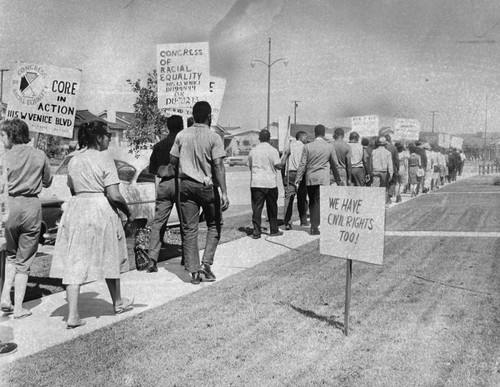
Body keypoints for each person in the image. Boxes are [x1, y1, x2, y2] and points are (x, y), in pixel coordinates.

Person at [50, 121, 134, 329]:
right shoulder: (105, 159)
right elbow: (114, 194)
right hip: (100, 208)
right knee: (110, 254)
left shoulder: (74, 160)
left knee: (75, 259)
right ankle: (117, 302)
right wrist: (128, 212)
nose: (108, 139)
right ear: (98, 138)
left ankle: (73, 314)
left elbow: (72, 189)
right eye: (107, 135)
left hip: (77, 208)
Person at [170, 101, 229, 285]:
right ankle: (206, 264)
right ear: (209, 116)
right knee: (214, 224)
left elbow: (172, 159)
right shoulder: (214, 137)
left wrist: (182, 171)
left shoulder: (181, 135)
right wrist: (224, 192)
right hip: (206, 185)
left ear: (193, 116)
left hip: (186, 185)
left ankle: (194, 272)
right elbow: (218, 165)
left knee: (189, 229)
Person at [0, 119, 52, 319]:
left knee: (11, 255)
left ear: (12, 135)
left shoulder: (5, 156)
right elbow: (47, 181)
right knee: (25, 259)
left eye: (3, 135)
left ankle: (6, 297)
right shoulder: (39, 154)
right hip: (31, 205)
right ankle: (19, 307)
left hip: (9, 205)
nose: (1, 138)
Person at [147, 115, 184, 273]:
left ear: (168, 127)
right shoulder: (183, 144)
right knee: (186, 222)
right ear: (181, 127)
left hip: (164, 184)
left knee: (158, 223)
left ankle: (152, 259)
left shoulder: (159, 145)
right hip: (181, 183)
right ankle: (188, 256)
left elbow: (152, 170)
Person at [295, 124, 341, 235]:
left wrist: (298, 178)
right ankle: (317, 224)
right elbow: (335, 164)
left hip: (310, 178)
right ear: (324, 133)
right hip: (323, 178)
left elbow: (302, 164)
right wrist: (338, 178)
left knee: (312, 201)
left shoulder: (307, 146)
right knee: (320, 201)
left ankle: (314, 225)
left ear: (314, 133)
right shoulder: (329, 146)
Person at [248, 130, 284, 238]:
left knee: (257, 208)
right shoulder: (273, 150)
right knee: (272, 207)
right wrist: (285, 157)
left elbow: (250, 166)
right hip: (270, 183)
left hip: (256, 182)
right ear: (269, 138)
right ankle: (274, 230)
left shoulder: (253, 151)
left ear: (259, 138)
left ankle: (256, 232)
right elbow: (278, 166)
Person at [282, 131, 309, 230]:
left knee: (289, 198)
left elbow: (283, 161)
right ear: (302, 138)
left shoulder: (288, 146)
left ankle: (287, 222)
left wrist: (283, 176)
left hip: (289, 173)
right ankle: (303, 220)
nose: (307, 140)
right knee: (302, 199)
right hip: (300, 174)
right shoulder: (304, 147)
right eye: (306, 138)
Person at [371, 137, 393, 205]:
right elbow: (390, 165)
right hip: (384, 171)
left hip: (375, 170)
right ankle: (384, 203)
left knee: (375, 187)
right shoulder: (388, 153)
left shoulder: (373, 151)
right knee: (384, 187)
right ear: (385, 144)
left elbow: (371, 162)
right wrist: (391, 174)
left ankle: (375, 202)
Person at [384, 134, 400, 204]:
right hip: (393, 167)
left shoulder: (382, 147)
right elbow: (396, 160)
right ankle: (390, 194)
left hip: (384, 168)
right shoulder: (394, 148)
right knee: (393, 182)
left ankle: (387, 197)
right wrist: (398, 168)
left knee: (386, 183)